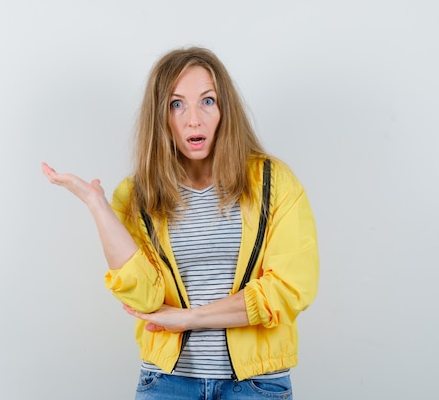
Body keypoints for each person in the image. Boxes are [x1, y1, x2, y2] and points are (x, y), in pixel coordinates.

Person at [41, 46, 319, 400]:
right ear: (161, 116)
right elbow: (144, 297)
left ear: (225, 109)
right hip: (167, 384)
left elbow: (291, 289)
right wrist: (97, 205)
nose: (193, 120)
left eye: (207, 101)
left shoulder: (273, 182)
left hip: (256, 385)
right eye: (177, 104)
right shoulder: (136, 194)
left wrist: (190, 318)